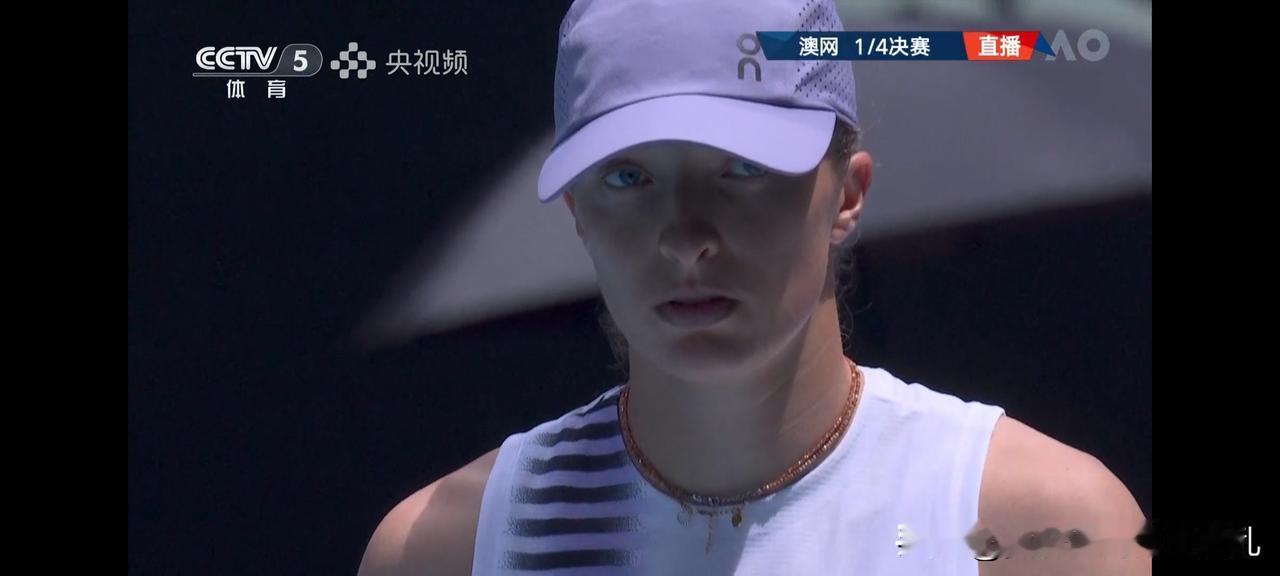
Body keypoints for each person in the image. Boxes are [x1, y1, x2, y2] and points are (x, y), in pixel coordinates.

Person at [359, 0, 1149, 574]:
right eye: (629, 177)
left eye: (742, 167)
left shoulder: (1044, 528)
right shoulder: (448, 550)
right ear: (577, 212)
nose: (686, 235)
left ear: (848, 194)